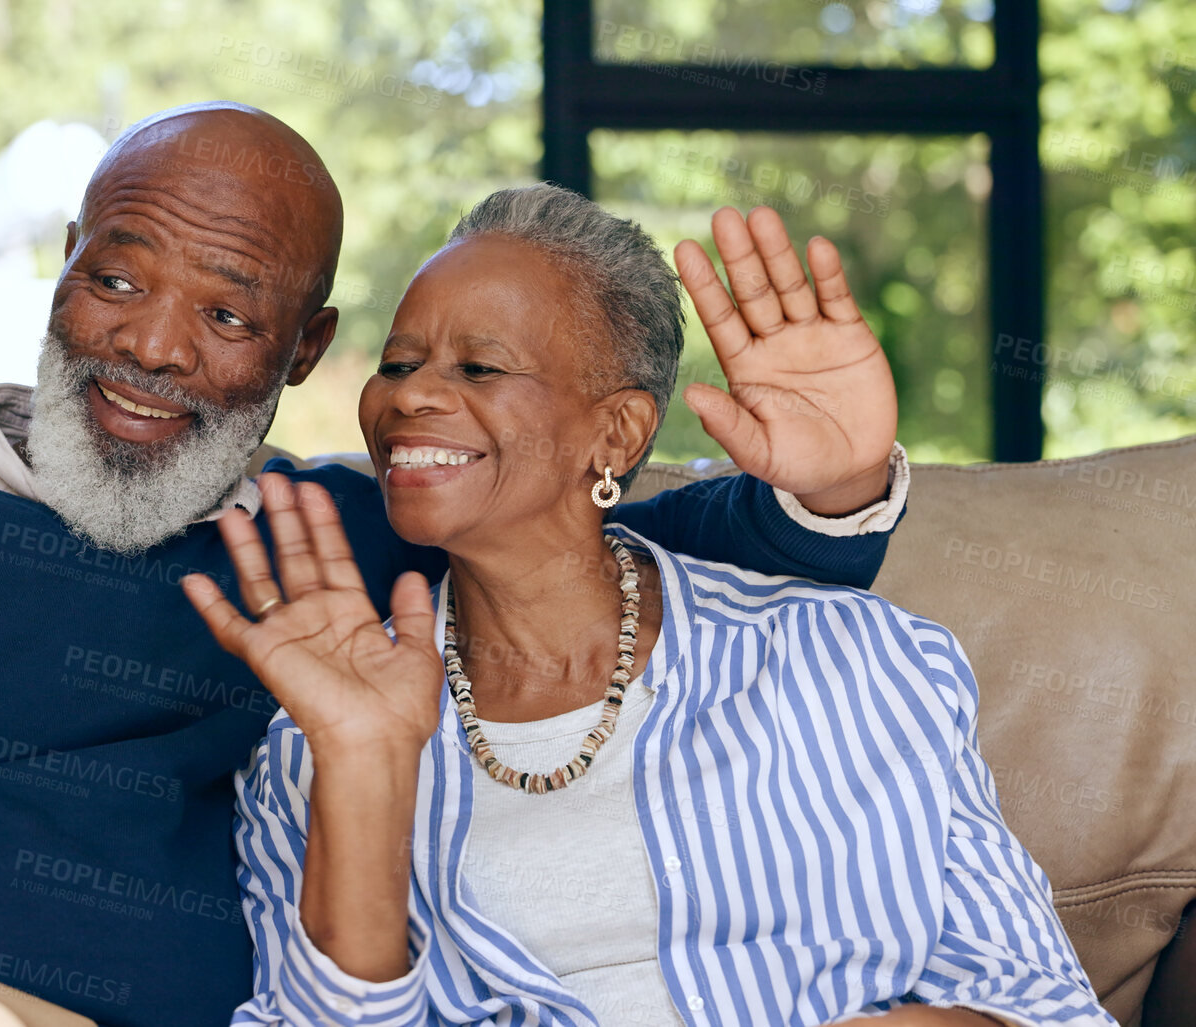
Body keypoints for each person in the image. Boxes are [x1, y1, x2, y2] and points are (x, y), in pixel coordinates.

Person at [0, 104, 910, 1027]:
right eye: (117, 277)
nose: (152, 346)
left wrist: (831, 480)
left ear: (300, 350)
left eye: (227, 313)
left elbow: (618, 555)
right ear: (61, 274)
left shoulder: (340, 545)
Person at [183, 183, 1112, 1026]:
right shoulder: (314, 739)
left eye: (478, 369)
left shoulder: (857, 659)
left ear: (617, 431)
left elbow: (1048, 1009)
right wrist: (364, 769)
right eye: (398, 362)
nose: (409, 395)